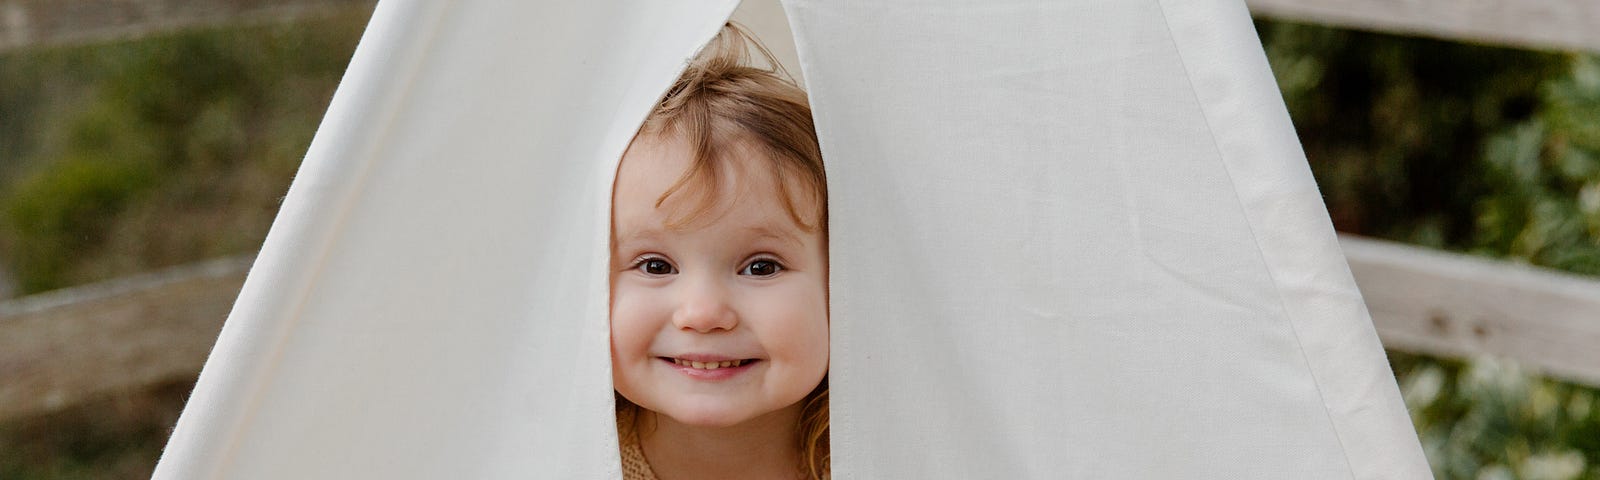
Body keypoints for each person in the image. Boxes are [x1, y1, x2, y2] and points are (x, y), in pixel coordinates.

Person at [608, 22, 830, 480]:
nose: (703, 313)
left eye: (761, 267)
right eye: (655, 265)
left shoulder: (900, 451)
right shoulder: (558, 454)